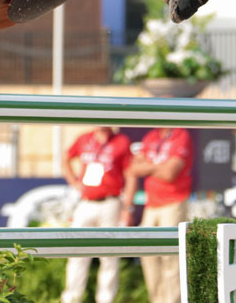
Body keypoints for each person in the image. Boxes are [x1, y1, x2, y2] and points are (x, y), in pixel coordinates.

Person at [60, 126, 134, 303]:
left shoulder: (121, 141)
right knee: (77, 252)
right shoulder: (84, 138)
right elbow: (65, 158)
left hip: (111, 202)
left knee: (109, 254)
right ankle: (72, 298)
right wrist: (74, 182)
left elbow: (130, 174)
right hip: (86, 201)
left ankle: (106, 299)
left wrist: (127, 208)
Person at [122, 127, 194, 303]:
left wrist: (148, 166)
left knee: (171, 256)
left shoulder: (181, 135)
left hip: (174, 202)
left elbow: (170, 174)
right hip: (151, 204)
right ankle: (157, 300)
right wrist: (158, 167)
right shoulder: (151, 136)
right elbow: (133, 168)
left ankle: (174, 301)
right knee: (148, 254)